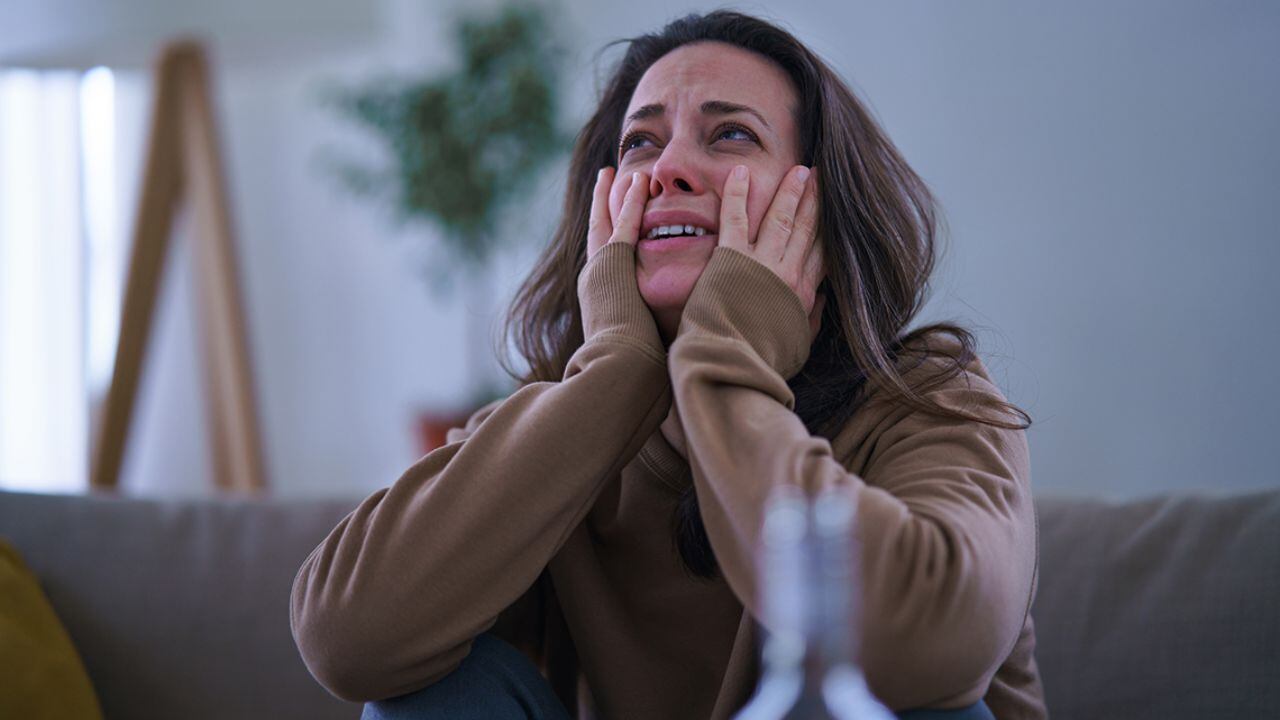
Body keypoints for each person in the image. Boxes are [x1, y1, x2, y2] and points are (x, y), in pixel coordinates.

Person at [290, 10, 1043, 720]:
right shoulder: (566, 422)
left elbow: (926, 651)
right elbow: (348, 638)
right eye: (640, 144)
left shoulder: (933, 402)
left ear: (816, 205)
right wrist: (619, 366)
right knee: (431, 696)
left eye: (730, 136)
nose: (667, 168)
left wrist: (725, 360)